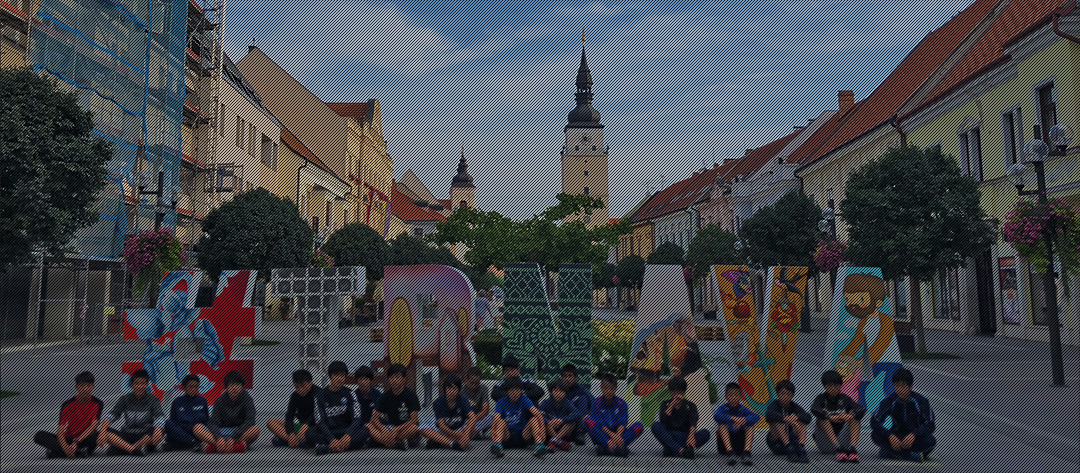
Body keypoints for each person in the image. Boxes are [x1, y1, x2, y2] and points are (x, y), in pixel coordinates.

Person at [870, 368, 936, 463]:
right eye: (896, 386)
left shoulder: (922, 401)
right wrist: (889, 435)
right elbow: (874, 421)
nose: (899, 389)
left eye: (903, 386)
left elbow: (930, 424)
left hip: (914, 439)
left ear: (910, 386)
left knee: (931, 441)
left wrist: (914, 435)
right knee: (875, 435)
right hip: (896, 437)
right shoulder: (890, 401)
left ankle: (890, 453)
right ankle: (912, 456)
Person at [34, 371, 103, 458]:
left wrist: (76, 442)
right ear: (76, 387)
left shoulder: (98, 403)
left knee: (96, 435)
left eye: (88, 386)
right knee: (39, 435)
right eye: (82, 386)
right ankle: (74, 453)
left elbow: (93, 426)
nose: (85, 389)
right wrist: (65, 447)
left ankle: (59, 452)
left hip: (85, 438)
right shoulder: (67, 404)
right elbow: (60, 430)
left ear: (93, 387)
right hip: (70, 438)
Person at [97, 369, 165, 456]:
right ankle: (134, 449)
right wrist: (102, 431)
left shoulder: (153, 400)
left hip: (145, 435)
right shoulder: (124, 399)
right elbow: (112, 414)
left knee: (160, 429)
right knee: (106, 431)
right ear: (132, 385)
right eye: (137, 383)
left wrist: (158, 429)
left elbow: (159, 416)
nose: (140, 386)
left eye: (143, 383)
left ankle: (125, 447)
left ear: (147, 384)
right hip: (127, 434)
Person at [310, 361, 365, 455]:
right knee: (309, 433)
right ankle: (342, 446)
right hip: (330, 431)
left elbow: (357, 417)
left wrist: (348, 434)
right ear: (330, 376)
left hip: (345, 430)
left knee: (365, 430)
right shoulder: (320, 396)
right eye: (336, 375)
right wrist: (331, 439)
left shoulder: (350, 393)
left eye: (342, 375)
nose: (340, 378)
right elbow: (320, 421)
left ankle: (328, 448)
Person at [810, 369, 865, 463]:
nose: (833, 388)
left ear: (840, 385)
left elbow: (861, 409)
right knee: (821, 419)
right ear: (824, 386)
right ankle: (837, 449)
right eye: (829, 385)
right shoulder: (821, 398)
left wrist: (850, 415)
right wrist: (830, 416)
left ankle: (852, 449)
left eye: (836, 385)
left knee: (856, 417)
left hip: (842, 442)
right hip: (825, 443)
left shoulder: (845, 399)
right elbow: (814, 409)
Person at [583, 373, 644, 457]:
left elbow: (622, 424)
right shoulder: (596, 403)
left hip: (619, 435)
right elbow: (601, 425)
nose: (608, 391)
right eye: (605, 388)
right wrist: (612, 438)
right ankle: (617, 447)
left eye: (611, 388)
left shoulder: (622, 403)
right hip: (603, 434)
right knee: (587, 420)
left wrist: (617, 437)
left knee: (639, 426)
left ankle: (606, 448)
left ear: (615, 389)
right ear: (601, 388)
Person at [650, 376, 710, 459]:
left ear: (683, 392)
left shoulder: (690, 406)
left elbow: (693, 423)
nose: (676, 394)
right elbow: (663, 420)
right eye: (673, 391)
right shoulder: (665, 403)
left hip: (685, 436)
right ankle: (681, 450)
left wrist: (691, 436)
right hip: (669, 434)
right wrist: (672, 405)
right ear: (670, 391)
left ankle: (672, 448)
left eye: (679, 392)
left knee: (706, 433)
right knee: (655, 425)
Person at [199, 370, 259, 453]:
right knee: (197, 428)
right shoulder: (219, 400)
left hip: (238, 432)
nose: (234, 388)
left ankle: (216, 447)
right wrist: (219, 438)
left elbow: (250, 421)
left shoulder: (247, 399)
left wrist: (233, 438)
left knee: (255, 430)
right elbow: (213, 423)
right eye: (231, 385)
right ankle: (234, 447)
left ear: (242, 386)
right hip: (221, 431)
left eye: (237, 385)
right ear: (227, 387)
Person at [489, 376, 547, 458]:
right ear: (507, 391)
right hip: (506, 436)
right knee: (501, 421)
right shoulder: (501, 401)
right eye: (512, 390)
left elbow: (538, 414)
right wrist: (493, 434)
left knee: (534, 419)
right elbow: (496, 418)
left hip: (522, 435)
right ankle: (498, 445)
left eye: (517, 390)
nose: (514, 393)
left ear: (521, 391)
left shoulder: (524, 399)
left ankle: (539, 445)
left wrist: (543, 431)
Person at [368, 363, 421, 450]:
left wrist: (396, 430)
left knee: (415, 428)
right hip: (390, 426)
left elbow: (414, 419)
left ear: (404, 379)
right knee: (368, 426)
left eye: (397, 377)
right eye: (391, 377)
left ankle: (384, 441)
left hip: (405, 428)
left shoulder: (411, 394)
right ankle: (396, 443)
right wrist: (383, 430)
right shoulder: (385, 396)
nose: (394, 380)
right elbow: (374, 418)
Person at [420, 374, 475, 450]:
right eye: (449, 388)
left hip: (459, 428)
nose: (451, 391)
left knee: (473, 429)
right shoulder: (438, 402)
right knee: (423, 428)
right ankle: (452, 443)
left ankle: (439, 441)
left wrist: (466, 434)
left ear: (459, 390)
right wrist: (457, 435)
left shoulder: (463, 400)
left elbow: (473, 417)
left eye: (454, 388)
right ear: (444, 389)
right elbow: (442, 426)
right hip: (444, 430)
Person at [268, 369, 320, 449]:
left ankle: (293, 441)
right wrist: (291, 434)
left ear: (310, 382)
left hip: (314, 427)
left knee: (276, 441)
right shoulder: (294, 396)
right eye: (296, 387)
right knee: (271, 422)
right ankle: (295, 441)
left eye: (303, 386)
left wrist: (306, 426)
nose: (300, 390)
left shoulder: (319, 393)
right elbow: (289, 417)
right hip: (300, 426)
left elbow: (317, 413)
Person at [764, 379, 811, 463]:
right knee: (777, 421)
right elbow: (768, 415)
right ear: (778, 394)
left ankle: (801, 448)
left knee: (802, 421)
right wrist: (787, 419)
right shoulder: (775, 404)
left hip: (792, 440)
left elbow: (808, 417)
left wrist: (796, 418)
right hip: (776, 442)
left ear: (792, 395)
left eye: (788, 394)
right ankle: (789, 448)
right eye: (782, 393)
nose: (785, 396)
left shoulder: (793, 406)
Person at [714, 382, 759, 466]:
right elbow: (716, 416)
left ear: (740, 397)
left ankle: (746, 453)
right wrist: (732, 418)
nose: (734, 397)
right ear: (726, 397)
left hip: (739, 445)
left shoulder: (743, 409)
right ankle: (730, 452)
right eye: (731, 395)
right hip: (724, 446)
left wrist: (743, 420)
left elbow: (756, 417)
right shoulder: (723, 408)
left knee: (750, 425)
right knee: (722, 424)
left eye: (736, 395)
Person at [164, 374, 211, 451]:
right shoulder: (177, 401)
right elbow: (173, 421)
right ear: (184, 388)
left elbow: (207, 421)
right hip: (181, 428)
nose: (193, 389)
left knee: (200, 422)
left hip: (195, 430)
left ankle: (179, 443)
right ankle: (192, 442)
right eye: (191, 387)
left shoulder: (202, 401)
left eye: (196, 387)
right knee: (168, 423)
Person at [538, 379, 581, 452]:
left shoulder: (567, 402)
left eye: (561, 391)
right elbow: (539, 413)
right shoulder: (547, 402)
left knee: (572, 422)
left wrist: (562, 420)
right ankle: (559, 442)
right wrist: (549, 422)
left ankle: (554, 441)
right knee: (543, 422)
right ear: (551, 392)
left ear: (565, 393)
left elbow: (577, 413)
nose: (558, 393)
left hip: (563, 430)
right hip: (550, 430)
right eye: (555, 391)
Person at [561, 363, 594, 444]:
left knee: (582, 399)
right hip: (563, 421)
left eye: (570, 376)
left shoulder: (582, 390)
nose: (567, 379)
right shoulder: (558, 390)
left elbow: (596, 405)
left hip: (578, 423)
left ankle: (580, 432)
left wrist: (588, 414)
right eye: (565, 376)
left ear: (575, 378)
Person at [463, 366, 492, 439]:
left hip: (478, 419)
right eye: (471, 383)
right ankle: (473, 432)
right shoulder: (460, 390)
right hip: (464, 420)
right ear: (466, 379)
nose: (474, 385)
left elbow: (485, 411)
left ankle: (471, 431)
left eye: (476, 383)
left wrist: (472, 421)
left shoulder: (483, 388)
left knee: (493, 418)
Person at [353, 365, 382, 436]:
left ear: (370, 380)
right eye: (360, 379)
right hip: (360, 426)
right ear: (357, 381)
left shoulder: (377, 395)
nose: (363, 382)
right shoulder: (353, 396)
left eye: (365, 379)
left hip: (376, 424)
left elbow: (378, 416)